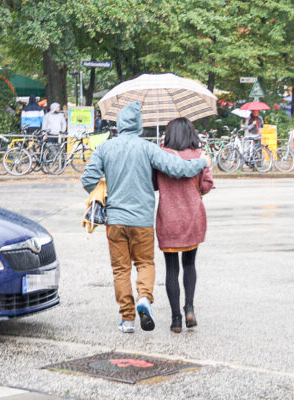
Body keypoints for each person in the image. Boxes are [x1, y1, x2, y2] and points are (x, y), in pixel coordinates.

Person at [81, 101, 211, 334]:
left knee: (121, 269)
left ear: (119, 124)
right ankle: (144, 298)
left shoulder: (104, 148)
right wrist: (202, 162)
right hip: (141, 221)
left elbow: (87, 179)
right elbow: (178, 169)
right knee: (144, 263)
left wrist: (106, 189)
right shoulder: (148, 149)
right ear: (139, 125)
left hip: (115, 219)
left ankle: (128, 319)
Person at [155, 117, 214, 333]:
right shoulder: (200, 156)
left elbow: (153, 183)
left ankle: (176, 319)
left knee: (171, 268)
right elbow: (207, 185)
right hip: (193, 216)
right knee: (190, 264)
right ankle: (189, 308)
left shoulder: (160, 155)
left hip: (167, 218)